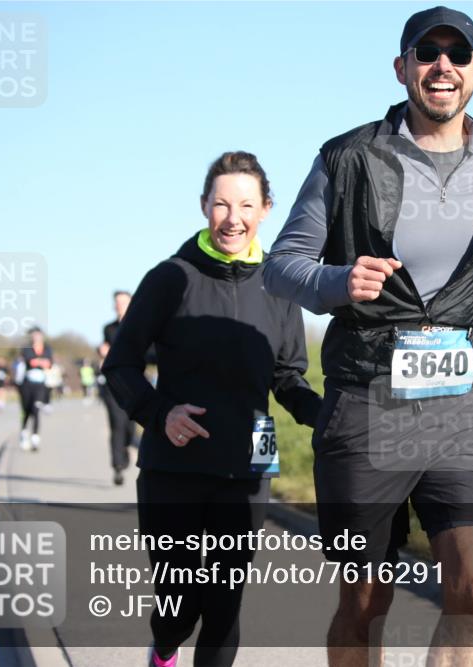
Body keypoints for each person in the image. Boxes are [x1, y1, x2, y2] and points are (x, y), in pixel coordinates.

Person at [263, 7, 473, 665]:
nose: (442, 65)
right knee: (365, 599)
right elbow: (281, 265)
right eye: (427, 52)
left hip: (460, 402)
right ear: (402, 67)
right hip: (368, 400)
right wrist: (338, 281)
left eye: (457, 54)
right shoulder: (348, 157)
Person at [102, 151, 322, 667]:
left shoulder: (279, 285)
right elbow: (121, 365)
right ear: (204, 206)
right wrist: (160, 413)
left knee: (224, 606)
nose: (233, 217)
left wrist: (330, 412)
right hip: (173, 466)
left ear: (266, 209)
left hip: (248, 467)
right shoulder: (169, 278)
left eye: (246, 204)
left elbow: (288, 378)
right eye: (221, 204)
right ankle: (163, 649)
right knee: (180, 608)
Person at [98, 290, 139, 485]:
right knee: (116, 424)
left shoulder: (141, 325)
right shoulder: (109, 328)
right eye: (117, 302)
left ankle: (126, 449)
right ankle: (117, 466)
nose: (119, 305)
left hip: (137, 384)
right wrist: (102, 351)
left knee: (130, 428)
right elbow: (106, 349)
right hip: (113, 384)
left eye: (123, 302)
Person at [18, 327, 53, 451]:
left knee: (36, 409)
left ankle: (35, 438)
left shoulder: (48, 348)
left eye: (38, 335)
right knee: (27, 411)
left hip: (40, 384)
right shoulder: (26, 348)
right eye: (34, 335)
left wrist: (40, 362)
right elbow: (30, 362)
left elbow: (49, 364)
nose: (36, 338)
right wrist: (41, 362)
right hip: (27, 384)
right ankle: (23, 433)